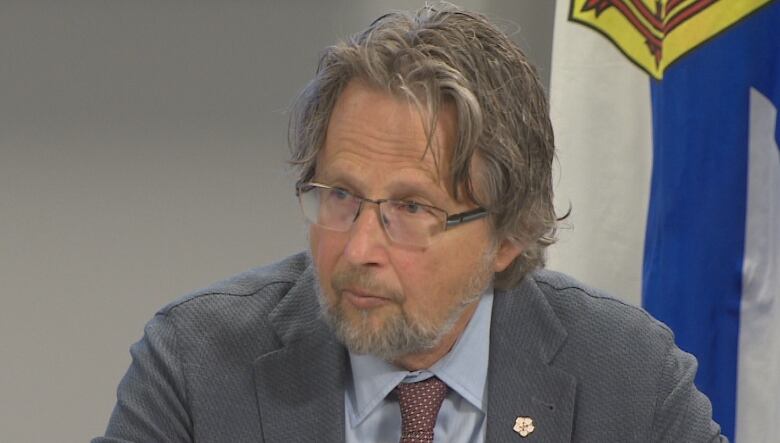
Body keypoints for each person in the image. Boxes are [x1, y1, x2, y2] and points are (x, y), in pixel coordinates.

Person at [94, 3, 726, 442]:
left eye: (411, 208)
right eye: (341, 195)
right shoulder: (197, 366)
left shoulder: (627, 378)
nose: (359, 248)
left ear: (507, 236)